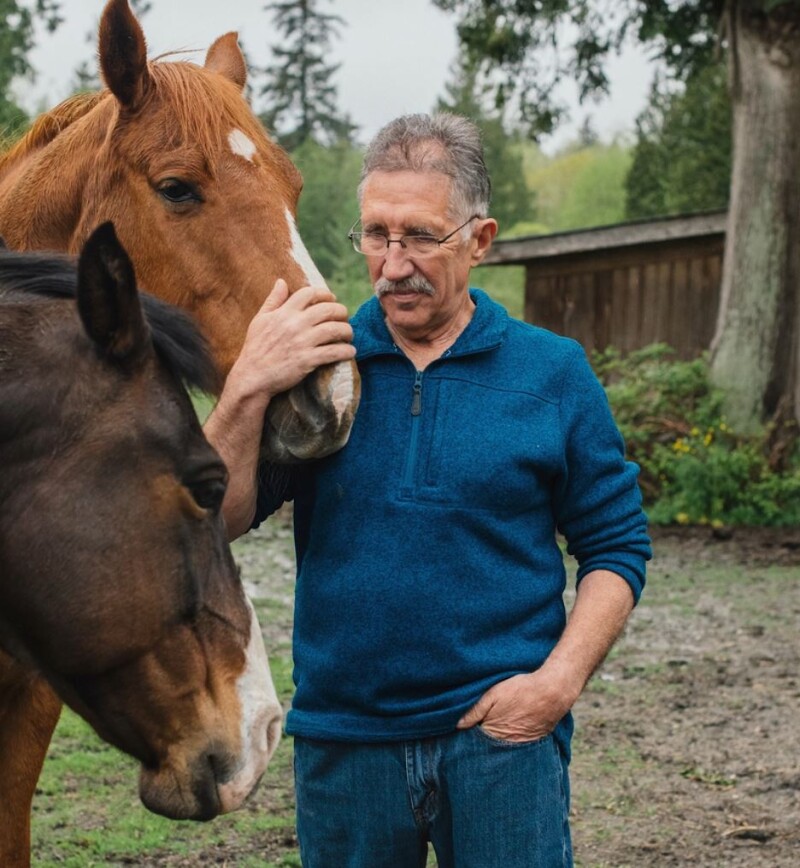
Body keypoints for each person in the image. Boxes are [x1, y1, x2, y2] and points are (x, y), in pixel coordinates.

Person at [205, 113, 651, 868]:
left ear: (479, 239)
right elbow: (216, 519)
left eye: (421, 236)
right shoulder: (324, 370)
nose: (393, 264)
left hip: (501, 744)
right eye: (376, 234)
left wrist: (556, 684)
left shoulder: (553, 375)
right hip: (346, 745)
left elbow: (616, 547)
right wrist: (246, 387)